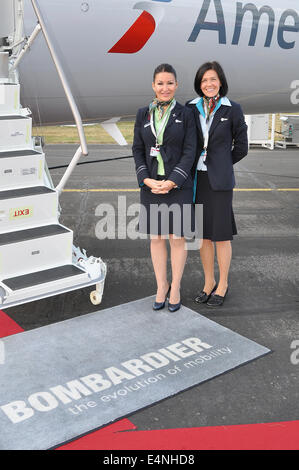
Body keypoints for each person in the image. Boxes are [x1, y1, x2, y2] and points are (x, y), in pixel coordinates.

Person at [132, 63, 197, 312]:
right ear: (153, 86)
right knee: (156, 239)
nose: (165, 88)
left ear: (176, 85)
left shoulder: (186, 114)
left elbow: (190, 151)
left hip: (177, 186)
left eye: (170, 83)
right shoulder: (143, 114)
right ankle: (161, 286)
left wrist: (173, 181)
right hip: (151, 185)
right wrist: (146, 179)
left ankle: (176, 287)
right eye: (160, 83)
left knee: (177, 238)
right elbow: (137, 149)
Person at [186, 61, 248, 307]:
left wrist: (220, 163)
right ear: (198, 85)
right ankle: (208, 282)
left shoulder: (232, 109)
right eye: (203, 81)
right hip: (197, 180)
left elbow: (241, 147)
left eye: (212, 79)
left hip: (219, 182)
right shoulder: (190, 108)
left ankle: (223, 284)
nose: (208, 84)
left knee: (221, 235)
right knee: (203, 236)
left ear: (220, 81)